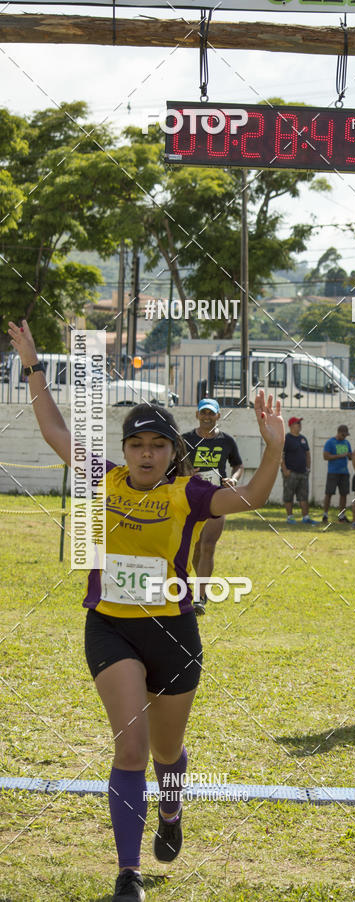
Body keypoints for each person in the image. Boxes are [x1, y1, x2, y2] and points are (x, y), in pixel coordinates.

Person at [8, 319, 284, 902]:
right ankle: (128, 872)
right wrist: (34, 365)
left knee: (164, 751)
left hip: (174, 635)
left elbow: (254, 497)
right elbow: (54, 426)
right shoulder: (102, 479)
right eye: (136, 444)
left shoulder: (188, 494)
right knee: (130, 747)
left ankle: (173, 803)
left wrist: (274, 445)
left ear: (172, 452)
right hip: (110, 630)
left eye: (158, 445)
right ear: (124, 449)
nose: (146, 454)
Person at [181, 399, 244, 613]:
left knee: (208, 545)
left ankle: (199, 597)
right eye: (203, 412)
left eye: (211, 413)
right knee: (195, 546)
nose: (207, 416)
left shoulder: (227, 441)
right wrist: (187, 472)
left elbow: (238, 464)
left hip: (218, 496)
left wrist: (234, 479)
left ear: (218, 416)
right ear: (197, 415)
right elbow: (173, 464)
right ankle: (196, 587)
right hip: (192, 497)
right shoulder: (186, 439)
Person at [281, 416, 317, 524]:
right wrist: (285, 470)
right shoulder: (286, 438)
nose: (300, 425)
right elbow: (280, 455)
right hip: (290, 473)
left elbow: (307, 454)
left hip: (303, 473)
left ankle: (306, 517)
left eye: (300, 423)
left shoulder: (303, 438)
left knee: (304, 496)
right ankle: (290, 517)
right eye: (297, 423)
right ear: (291, 425)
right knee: (288, 495)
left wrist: (308, 469)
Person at [322, 425, 352, 524]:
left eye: (346, 435)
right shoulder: (330, 442)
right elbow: (325, 456)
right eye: (343, 435)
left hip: (344, 472)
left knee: (344, 494)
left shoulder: (347, 443)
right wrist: (340, 455)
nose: (344, 437)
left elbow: (350, 456)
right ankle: (325, 515)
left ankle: (342, 516)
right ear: (338, 433)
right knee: (329, 493)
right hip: (333, 472)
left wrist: (351, 455)